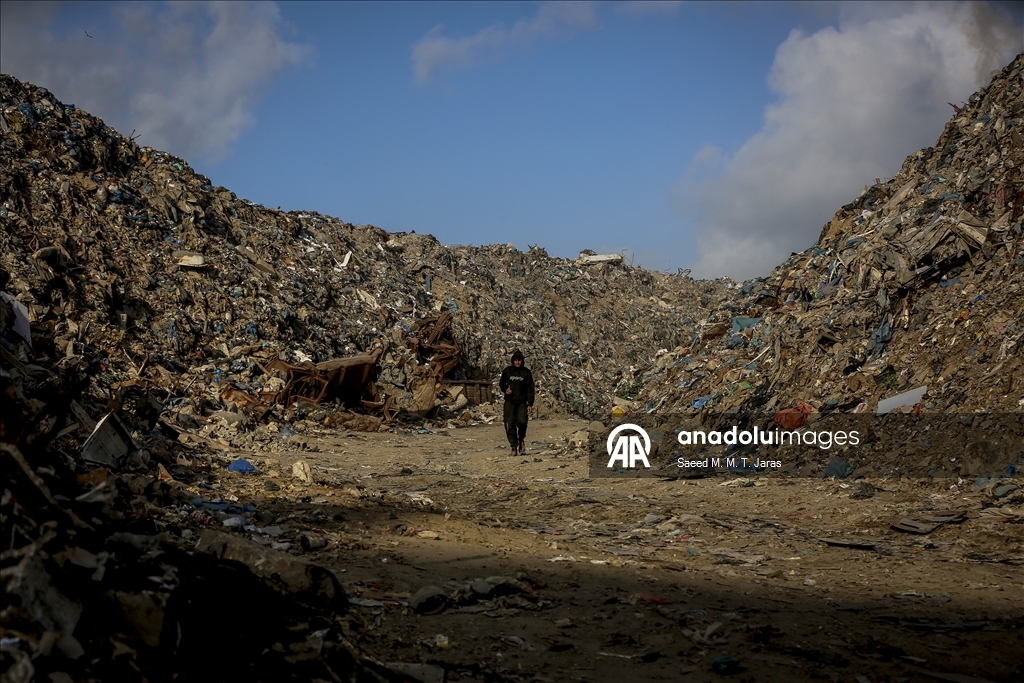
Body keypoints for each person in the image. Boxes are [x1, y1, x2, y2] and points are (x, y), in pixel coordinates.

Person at [499, 349, 535, 456]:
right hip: (510, 402)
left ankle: (521, 439)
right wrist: (505, 389)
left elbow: (530, 389)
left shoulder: (526, 373)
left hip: (522, 402)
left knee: (522, 421)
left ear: (522, 361)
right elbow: (501, 383)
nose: (517, 362)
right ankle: (513, 447)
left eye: (519, 360)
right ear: (513, 361)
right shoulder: (508, 371)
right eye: (515, 360)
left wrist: (530, 404)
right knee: (509, 424)